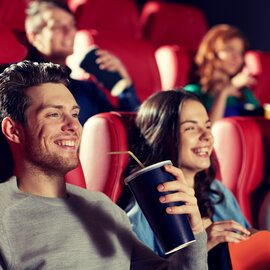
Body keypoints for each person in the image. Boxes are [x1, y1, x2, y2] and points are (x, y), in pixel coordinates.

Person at [0, 60, 208, 269]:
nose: (73, 126)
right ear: (13, 130)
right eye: (54, 114)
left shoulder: (103, 206)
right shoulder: (4, 216)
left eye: (74, 114)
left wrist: (194, 233)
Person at [125, 89, 251, 259]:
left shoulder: (216, 191)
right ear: (162, 136)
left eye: (207, 126)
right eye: (190, 128)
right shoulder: (145, 210)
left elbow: (247, 237)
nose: (207, 136)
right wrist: (200, 248)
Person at [25, 0, 140, 125]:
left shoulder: (88, 89)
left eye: (72, 25)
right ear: (34, 37)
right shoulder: (14, 82)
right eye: (57, 26)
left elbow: (129, 129)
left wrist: (125, 87)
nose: (69, 32)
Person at [184, 24, 261, 122]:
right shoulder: (193, 93)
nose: (236, 57)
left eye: (240, 53)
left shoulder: (243, 92)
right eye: (229, 49)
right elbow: (209, 132)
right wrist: (223, 93)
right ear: (211, 52)